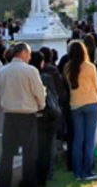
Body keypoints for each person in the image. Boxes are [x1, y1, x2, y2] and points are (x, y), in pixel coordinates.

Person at [0, 42, 46, 187]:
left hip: (9, 115)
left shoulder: (2, 71)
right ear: (23, 52)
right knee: (29, 153)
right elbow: (39, 92)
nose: (30, 57)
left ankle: (3, 183)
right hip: (26, 114)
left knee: (7, 154)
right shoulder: (30, 70)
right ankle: (28, 182)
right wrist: (41, 105)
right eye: (29, 54)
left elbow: (1, 90)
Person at [63, 41, 97, 181]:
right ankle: (88, 170)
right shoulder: (90, 67)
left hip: (75, 104)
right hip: (90, 102)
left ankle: (77, 172)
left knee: (77, 140)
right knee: (89, 139)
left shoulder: (67, 67)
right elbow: (96, 86)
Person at [31, 51, 60, 186]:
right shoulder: (45, 77)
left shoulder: (30, 77)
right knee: (45, 150)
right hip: (46, 116)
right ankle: (43, 176)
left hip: (32, 116)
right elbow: (54, 94)